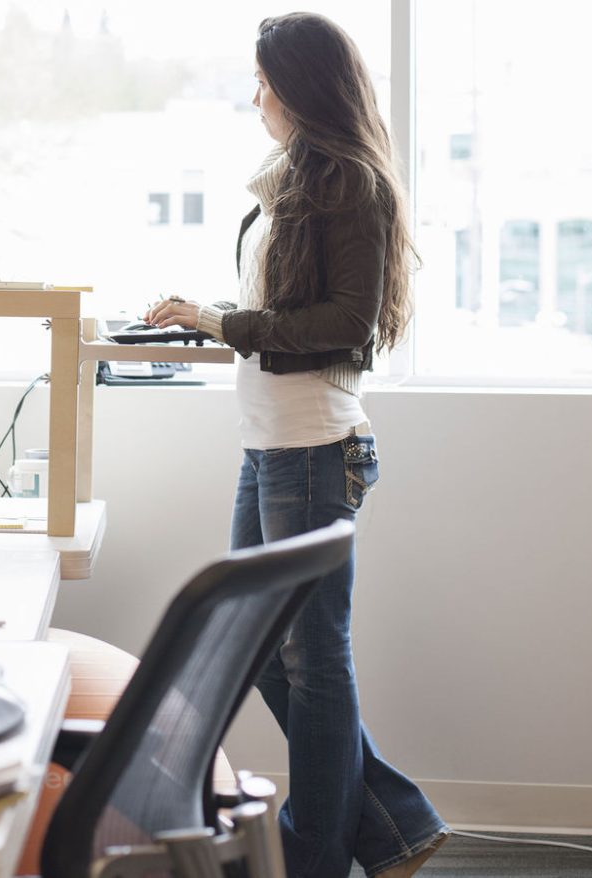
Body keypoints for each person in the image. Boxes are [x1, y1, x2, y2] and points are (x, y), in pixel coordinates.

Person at [144, 12, 448, 878]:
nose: (256, 98)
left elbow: (346, 324)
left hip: (315, 450)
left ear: (301, 87)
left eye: (265, 83)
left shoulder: (350, 183)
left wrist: (219, 320)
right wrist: (213, 319)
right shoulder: (300, 182)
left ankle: (318, 855)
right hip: (272, 446)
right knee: (260, 648)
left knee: (314, 662)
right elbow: (290, 310)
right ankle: (396, 827)